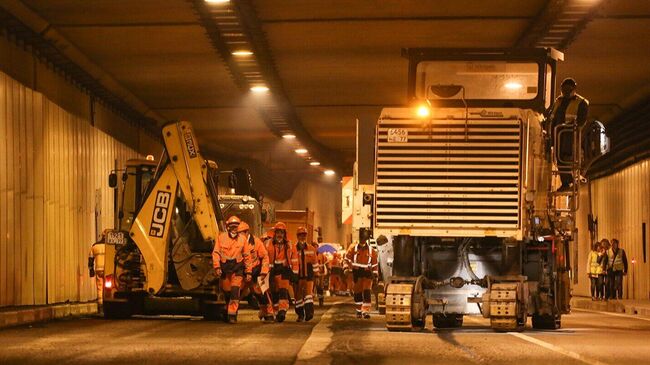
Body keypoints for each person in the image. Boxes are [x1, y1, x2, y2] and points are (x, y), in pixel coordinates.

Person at [545, 77, 589, 192]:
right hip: (558, 134)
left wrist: (572, 127)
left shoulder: (581, 102)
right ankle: (566, 182)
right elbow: (552, 116)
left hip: (570, 135)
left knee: (567, 158)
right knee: (559, 158)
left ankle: (570, 181)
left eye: (568, 89)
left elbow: (581, 120)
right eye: (564, 89)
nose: (566, 91)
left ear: (574, 89)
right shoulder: (558, 101)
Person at [212, 216, 252, 324]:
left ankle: (232, 315)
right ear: (228, 227)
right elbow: (216, 253)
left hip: (237, 269)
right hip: (225, 269)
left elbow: (247, 256)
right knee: (227, 292)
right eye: (232, 226)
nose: (234, 229)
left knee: (235, 292)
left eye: (236, 226)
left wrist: (248, 272)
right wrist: (217, 267)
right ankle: (228, 309)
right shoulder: (221, 238)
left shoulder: (243, 240)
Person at [237, 221, 274, 322]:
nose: (240, 235)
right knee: (237, 292)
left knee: (261, 293)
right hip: (244, 272)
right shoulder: (238, 243)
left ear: (247, 232)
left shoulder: (256, 242)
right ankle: (232, 313)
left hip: (256, 272)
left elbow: (265, 257)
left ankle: (269, 313)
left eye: (241, 233)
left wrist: (263, 272)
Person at [266, 222, 298, 322]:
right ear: (274, 233)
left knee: (283, 291)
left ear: (284, 234)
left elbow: (294, 259)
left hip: (284, 270)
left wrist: (295, 273)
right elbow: (264, 257)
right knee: (274, 292)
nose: (280, 235)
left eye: (282, 232)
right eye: (278, 232)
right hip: (272, 271)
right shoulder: (267, 244)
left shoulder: (289, 245)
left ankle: (282, 310)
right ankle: (276, 311)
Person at [345, 238, 379, 319]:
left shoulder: (371, 251)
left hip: (367, 273)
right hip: (357, 273)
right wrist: (346, 268)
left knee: (367, 291)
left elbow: (374, 263)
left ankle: (366, 311)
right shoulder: (353, 249)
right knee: (357, 292)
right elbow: (346, 259)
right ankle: (359, 310)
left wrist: (375, 274)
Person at [294, 227, 318, 322]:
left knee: (308, 296)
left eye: (304, 235)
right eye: (300, 235)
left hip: (309, 276)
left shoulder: (312, 249)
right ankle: (300, 315)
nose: (302, 236)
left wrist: (317, 275)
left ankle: (309, 314)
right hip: (297, 276)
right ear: (297, 236)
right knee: (298, 297)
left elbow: (315, 263)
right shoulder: (293, 249)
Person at [88, 230, 107, 312]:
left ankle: (100, 306)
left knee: (100, 287)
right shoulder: (110, 246)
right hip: (108, 270)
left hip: (99, 270)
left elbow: (90, 259)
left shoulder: (94, 246)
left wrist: (91, 270)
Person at [312, 238, 328, 306]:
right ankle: (311, 301)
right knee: (312, 287)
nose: (315, 248)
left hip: (320, 273)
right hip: (312, 273)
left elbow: (326, 262)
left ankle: (321, 300)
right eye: (314, 246)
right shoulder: (311, 254)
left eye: (316, 246)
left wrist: (328, 269)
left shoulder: (322, 255)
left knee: (320, 287)